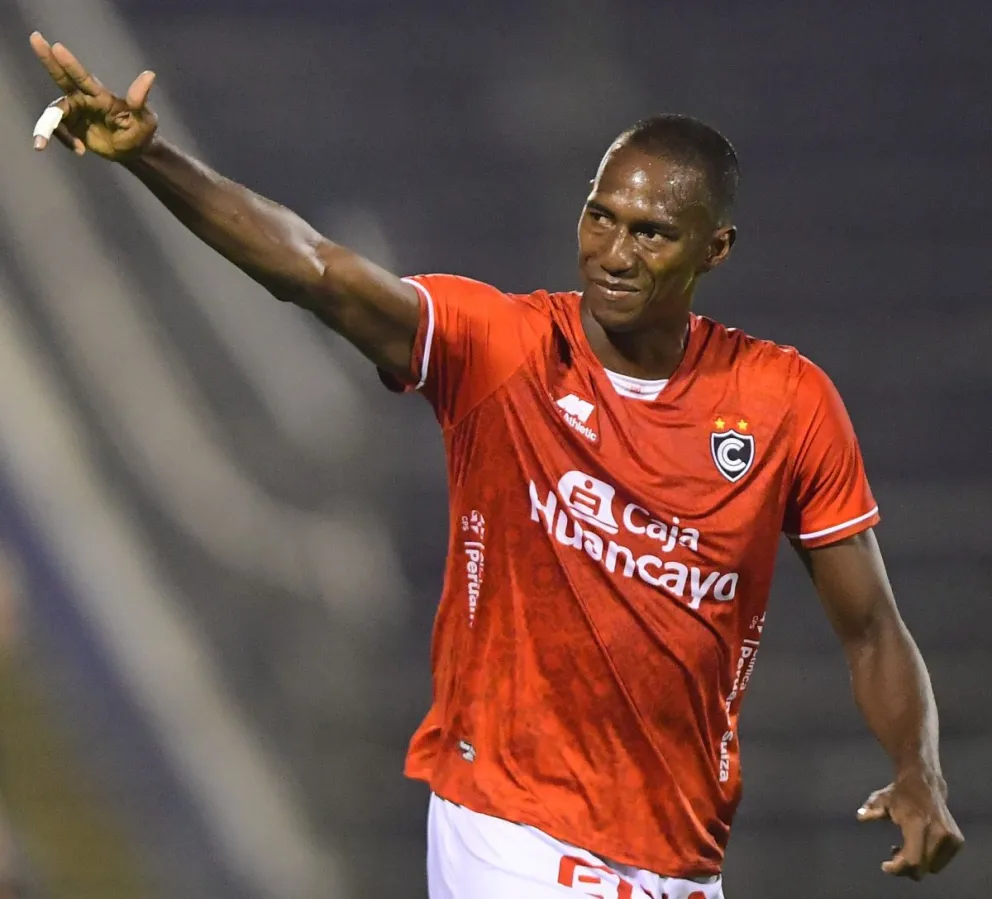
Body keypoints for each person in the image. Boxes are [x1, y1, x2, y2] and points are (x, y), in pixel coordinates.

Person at [27, 32, 964, 899]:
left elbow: (872, 627)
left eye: (652, 233)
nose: (614, 252)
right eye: (602, 217)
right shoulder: (503, 348)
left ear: (713, 249)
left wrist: (918, 770)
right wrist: (152, 156)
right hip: (506, 826)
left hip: (679, 857)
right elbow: (314, 268)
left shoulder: (786, 402)